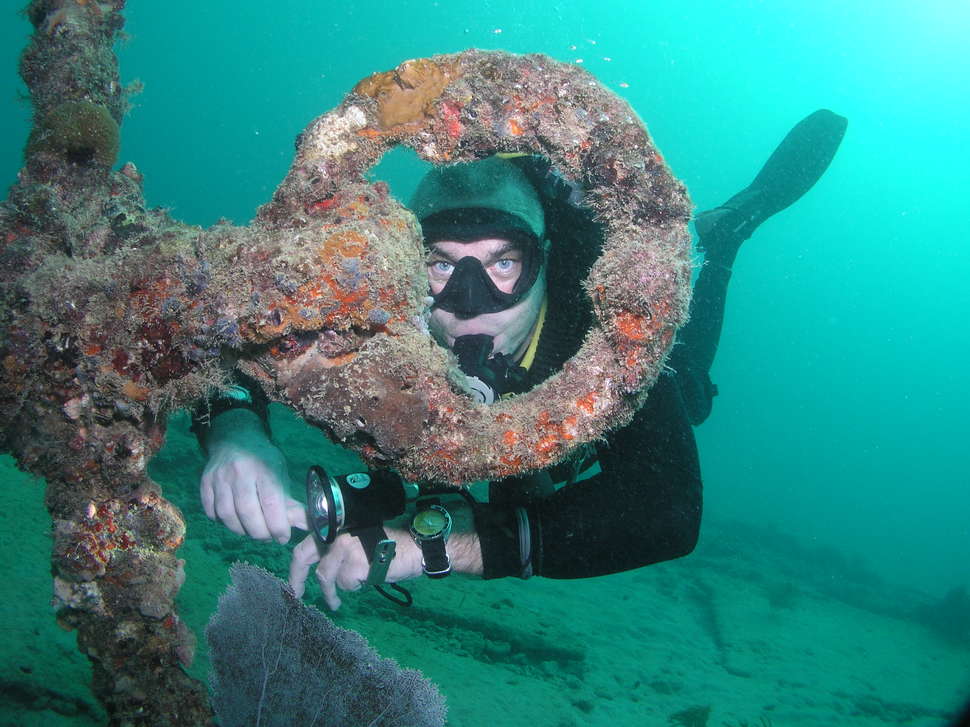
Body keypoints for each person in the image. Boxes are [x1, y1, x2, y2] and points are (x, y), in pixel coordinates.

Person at [193, 110, 847, 610]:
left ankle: (723, 232)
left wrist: (438, 547)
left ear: (544, 264)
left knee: (688, 396)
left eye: (503, 264)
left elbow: (669, 515)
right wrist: (236, 433)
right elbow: (224, 334)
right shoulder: (375, 303)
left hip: (588, 374)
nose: (470, 304)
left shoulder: (602, 331)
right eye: (440, 265)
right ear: (404, 267)